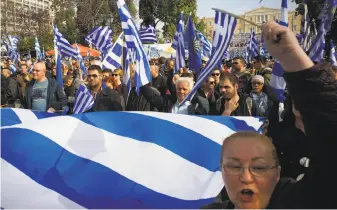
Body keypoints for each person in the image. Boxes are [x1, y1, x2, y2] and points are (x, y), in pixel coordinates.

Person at [203, 20, 337, 209]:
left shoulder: (300, 202)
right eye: (234, 166)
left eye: (258, 168)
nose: (246, 177)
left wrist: (292, 57)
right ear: (222, 172)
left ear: (277, 173)